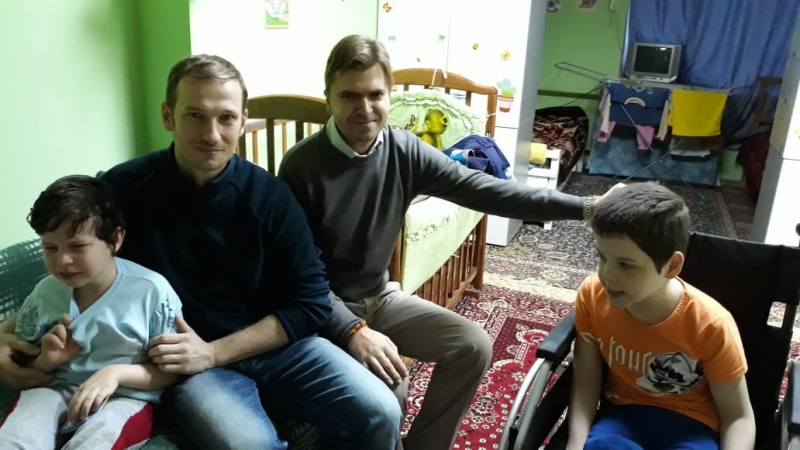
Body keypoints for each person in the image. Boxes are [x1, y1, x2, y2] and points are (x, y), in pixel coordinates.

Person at [0, 54, 402, 449]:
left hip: (280, 351)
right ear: (168, 116)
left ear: (242, 121)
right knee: (248, 444)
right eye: (195, 115)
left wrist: (212, 352)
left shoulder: (271, 197)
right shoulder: (122, 190)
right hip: (187, 368)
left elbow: (310, 301)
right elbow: (71, 262)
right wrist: (3, 336)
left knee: (381, 410)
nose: (211, 133)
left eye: (226, 117)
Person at [278, 34, 615, 450]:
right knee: (391, 390)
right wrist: (353, 331)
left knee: (472, 346)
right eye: (349, 95)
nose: (364, 109)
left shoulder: (403, 149)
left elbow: (486, 189)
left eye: (375, 95)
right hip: (322, 310)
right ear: (328, 97)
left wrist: (587, 207)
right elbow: (298, 277)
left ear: (389, 96)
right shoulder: (301, 166)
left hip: (379, 297)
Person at [567, 182, 755, 450]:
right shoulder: (592, 295)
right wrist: (575, 445)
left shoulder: (711, 324)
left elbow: (738, 416)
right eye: (602, 257)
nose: (607, 275)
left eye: (625, 265)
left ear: (672, 266)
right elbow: (586, 379)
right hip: (621, 415)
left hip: (692, 424)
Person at [0, 175, 182, 449]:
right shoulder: (45, 292)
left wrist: (115, 374)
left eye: (78, 246)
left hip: (124, 397)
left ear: (115, 239)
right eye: (50, 247)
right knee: (14, 440)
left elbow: (169, 371)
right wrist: (46, 360)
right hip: (54, 390)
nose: (63, 260)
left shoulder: (151, 292)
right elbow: (24, 367)